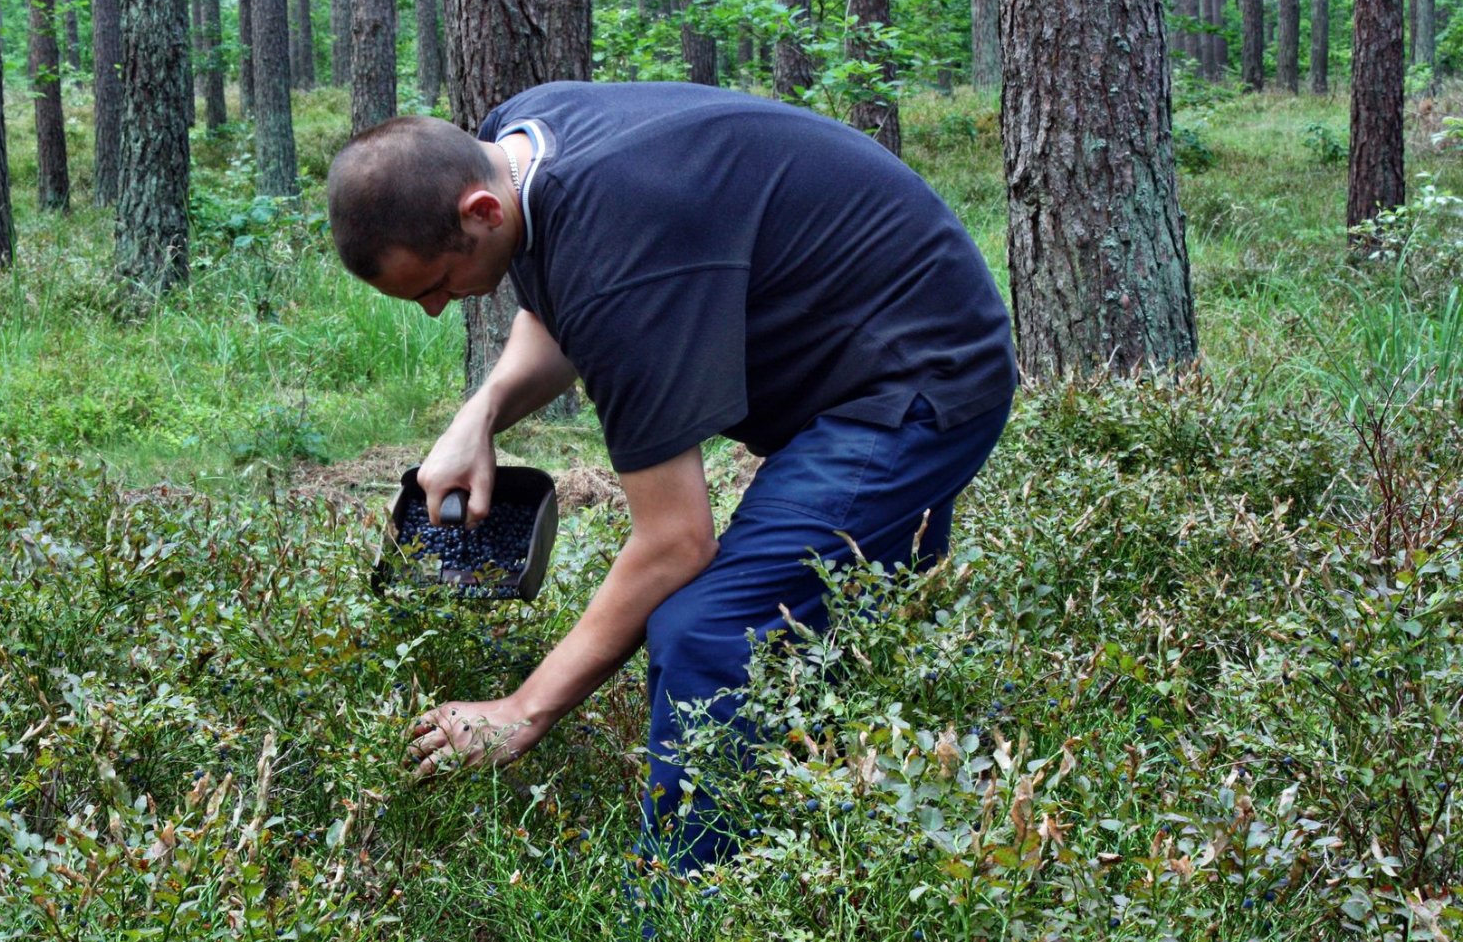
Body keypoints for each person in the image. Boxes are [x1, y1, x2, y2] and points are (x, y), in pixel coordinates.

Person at [327, 81, 1016, 875]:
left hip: (918, 379)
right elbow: (558, 305)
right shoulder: (516, 139)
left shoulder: (617, 253)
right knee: (843, 642)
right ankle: (864, 863)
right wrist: (477, 416)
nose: (438, 310)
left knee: (706, 631)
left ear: (482, 210)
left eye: (439, 284)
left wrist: (522, 710)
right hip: (868, 352)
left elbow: (676, 542)